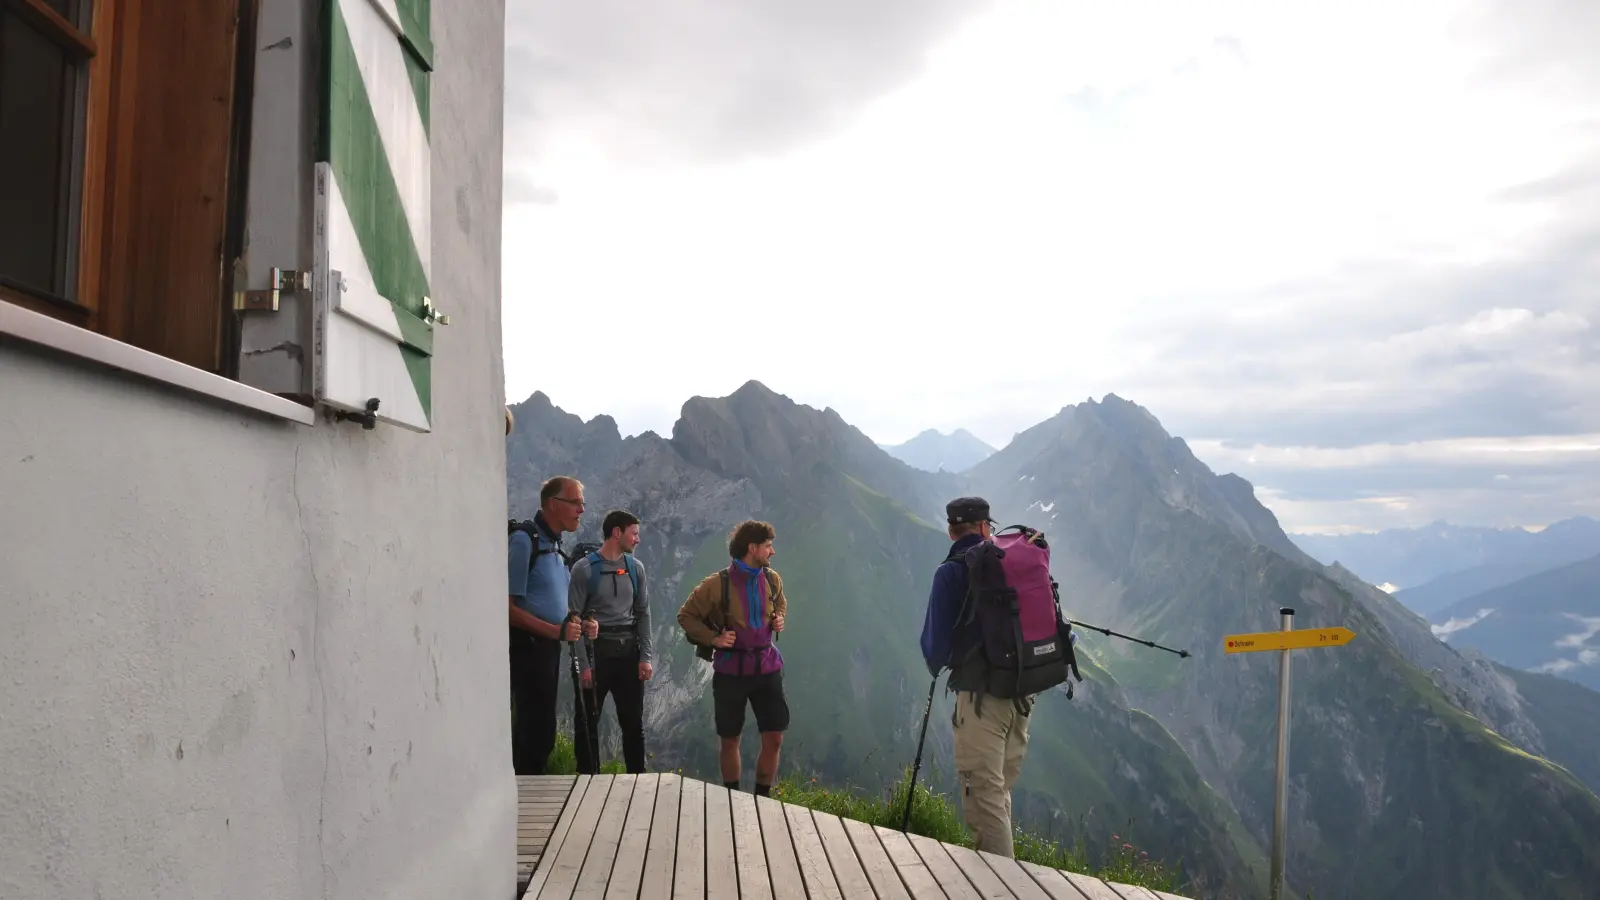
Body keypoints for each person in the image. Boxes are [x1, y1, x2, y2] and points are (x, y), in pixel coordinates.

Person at [918, 495, 1031, 858]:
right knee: (997, 794)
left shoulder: (950, 572)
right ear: (985, 527)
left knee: (984, 800)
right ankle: (1005, 878)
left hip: (981, 700)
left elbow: (934, 651)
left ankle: (999, 886)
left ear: (952, 530)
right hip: (1022, 693)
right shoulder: (1013, 562)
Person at [676, 520, 788, 795]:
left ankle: (762, 798)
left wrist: (779, 619)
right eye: (768, 546)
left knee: (774, 738)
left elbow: (781, 603)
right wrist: (714, 639)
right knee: (730, 739)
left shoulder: (772, 579)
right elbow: (686, 616)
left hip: (767, 667)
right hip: (731, 671)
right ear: (753, 548)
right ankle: (732, 798)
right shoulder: (716, 584)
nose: (772, 552)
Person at [508, 476, 585, 776]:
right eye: (575, 502)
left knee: (543, 728)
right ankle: (525, 805)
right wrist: (556, 631)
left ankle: (532, 797)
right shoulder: (525, 541)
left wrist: (578, 621)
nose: (581, 510)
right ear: (554, 504)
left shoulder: (553, 547)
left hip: (548, 649)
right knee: (533, 729)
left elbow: (557, 605)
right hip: (528, 649)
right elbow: (507, 609)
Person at [568, 510, 653, 775]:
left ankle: (638, 780)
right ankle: (587, 780)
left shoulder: (635, 568)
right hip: (596, 653)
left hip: (629, 652)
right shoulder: (584, 569)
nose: (637, 539)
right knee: (587, 721)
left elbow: (643, 614)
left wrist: (645, 657)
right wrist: (584, 666)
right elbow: (573, 618)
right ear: (617, 533)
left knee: (633, 724)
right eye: (634, 533)